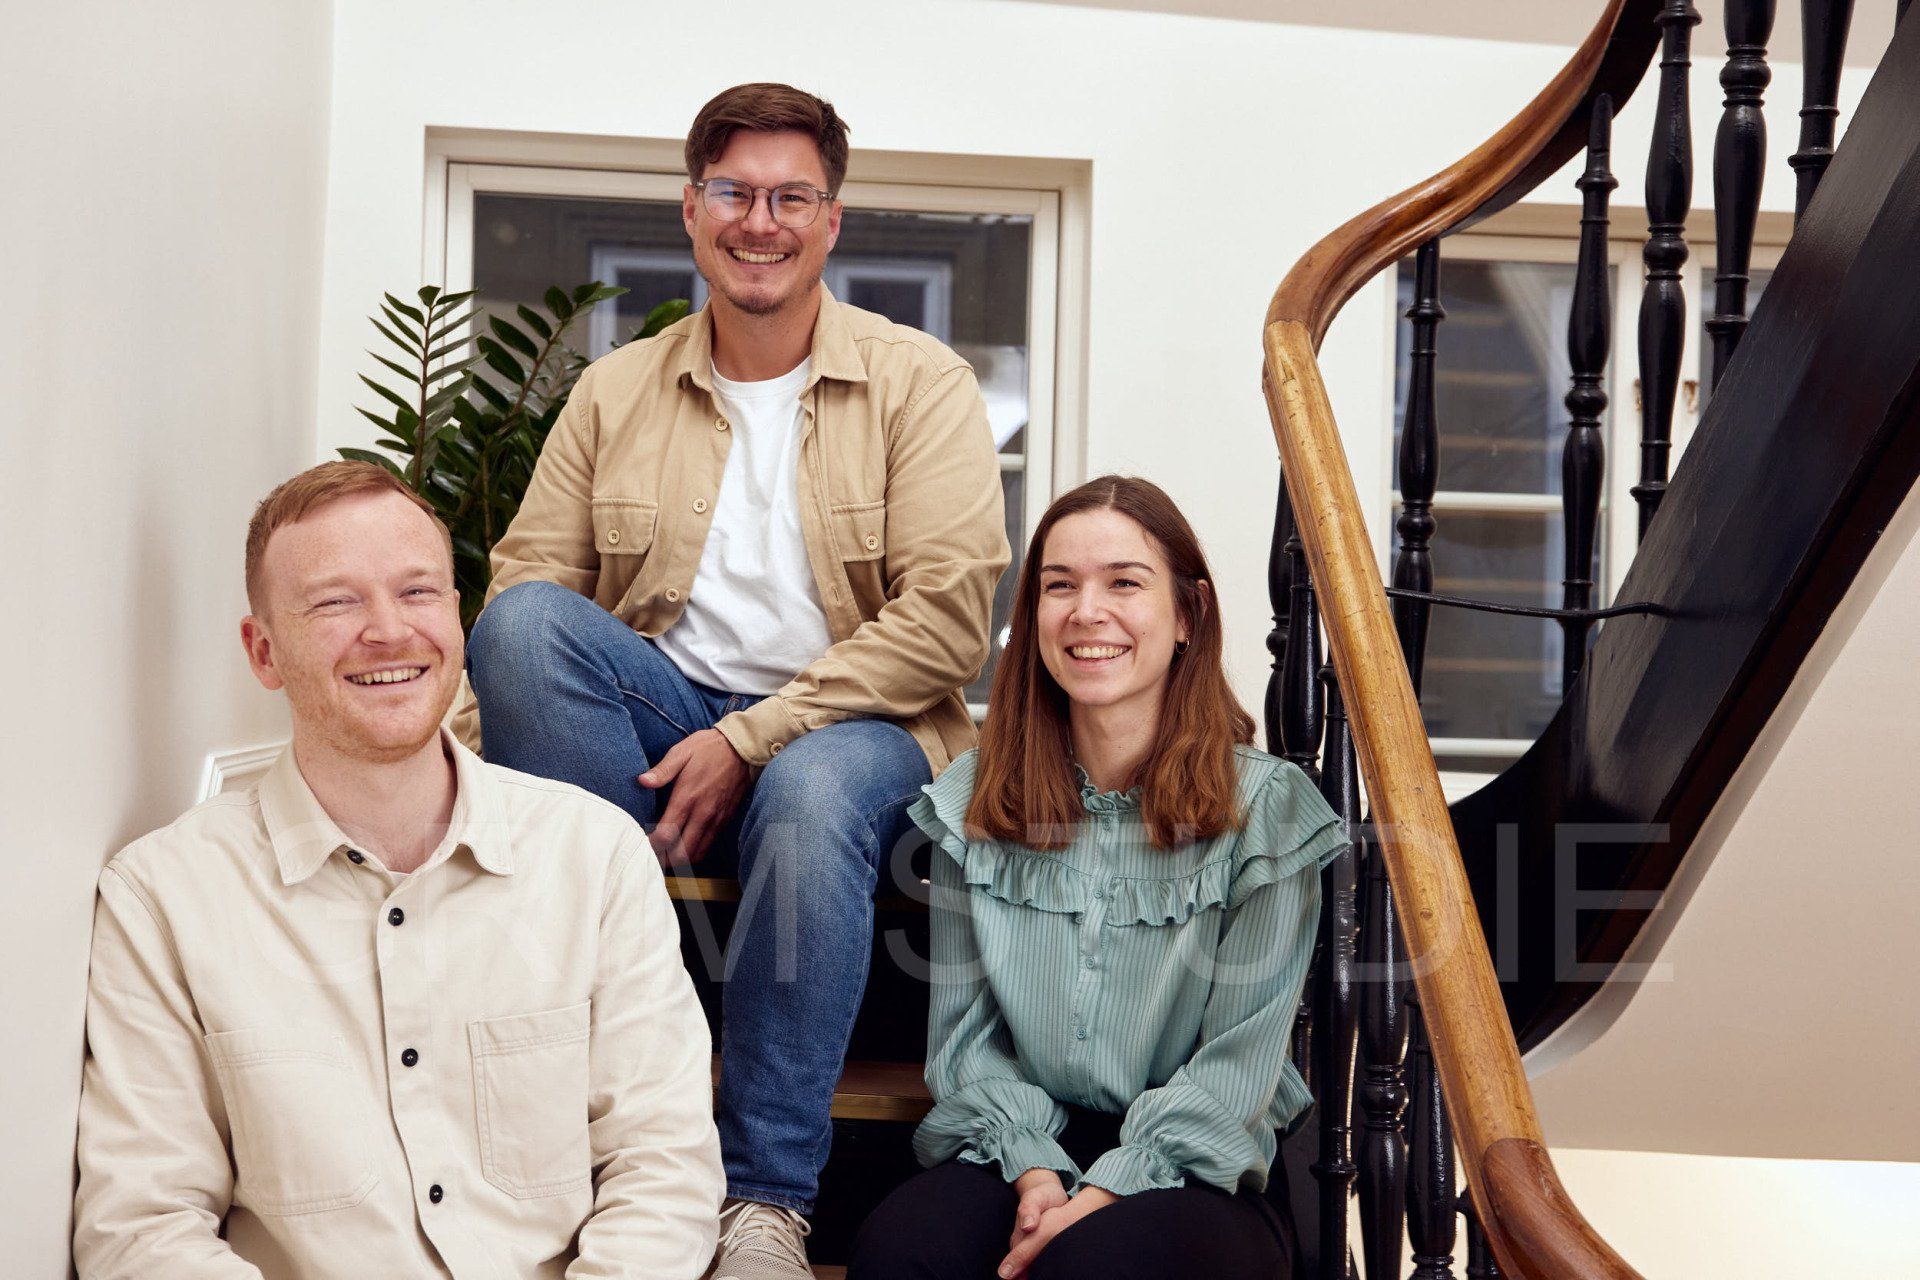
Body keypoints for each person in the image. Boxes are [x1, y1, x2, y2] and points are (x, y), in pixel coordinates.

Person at [460, 83, 1009, 1279]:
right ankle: (623, 1113)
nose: (760, 221)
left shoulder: (922, 383)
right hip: (663, 718)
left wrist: (753, 737)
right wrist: (456, 770)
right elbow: (532, 584)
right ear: (693, 210)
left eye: (790, 198)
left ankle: (764, 1200)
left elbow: (950, 621)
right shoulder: (617, 390)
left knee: (808, 798)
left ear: (832, 220)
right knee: (518, 630)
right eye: (734, 193)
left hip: (858, 722)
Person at [71, 462, 724, 1279]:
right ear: (263, 652)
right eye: (336, 602)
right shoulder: (162, 899)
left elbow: (663, 1168)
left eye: (418, 591)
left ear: (456, 614)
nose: (388, 630)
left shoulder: (594, 855)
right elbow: (144, 1227)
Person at [848, 476, 1345, 1280]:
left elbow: (1235, 1065)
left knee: (1091, 1267)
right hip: (1020, 1141)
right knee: (901, 1254)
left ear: (1188, 615)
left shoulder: (1268, 810)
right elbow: (965, 1040)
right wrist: (1036, 1169)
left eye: (1124, 582)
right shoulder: (975, 800)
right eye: (1058, 586)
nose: (1087, 611)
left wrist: (1108, 1189)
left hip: (1201, 1163)